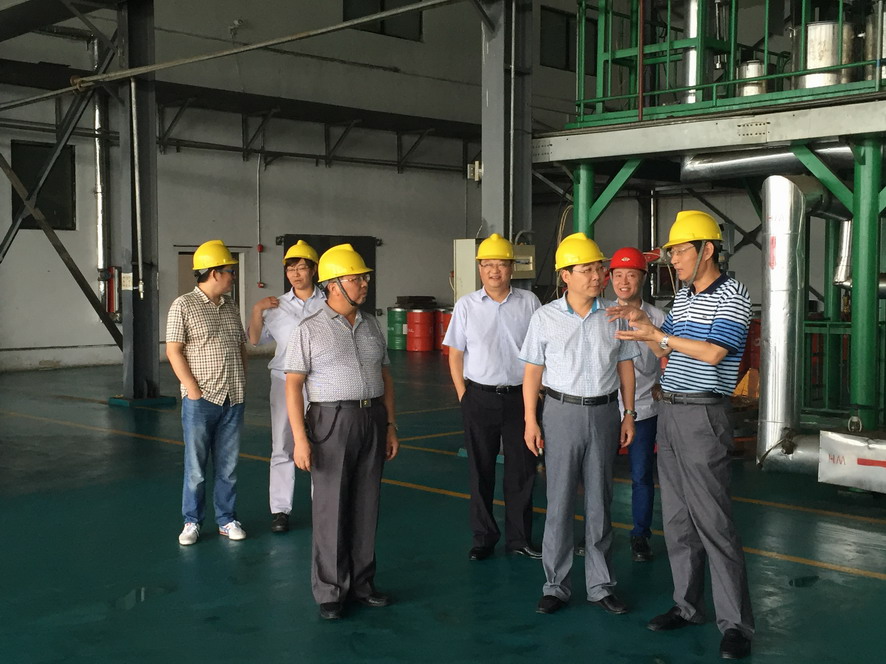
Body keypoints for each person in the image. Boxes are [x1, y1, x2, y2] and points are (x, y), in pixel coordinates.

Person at [607, 211, 754, 660]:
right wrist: (644, 327)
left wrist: (660, 335)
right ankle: (687, 607)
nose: (673, 260)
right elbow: (665, 350)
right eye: (671, 253)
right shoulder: (685, 297)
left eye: (679, 251)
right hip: (669, 410)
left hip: (702, 415)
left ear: (707, 250)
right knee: (677, 520)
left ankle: (736, 625)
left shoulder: (733, 296)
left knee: (713, 521)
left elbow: (713, 353)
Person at [520, 232, 638, 616]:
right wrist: (530, 420)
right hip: (561, 412)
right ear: (565, 275)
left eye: (598, 268)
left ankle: (600, 586)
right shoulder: (545, 317)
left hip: (604, 412)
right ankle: (555, 586)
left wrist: (629, 413)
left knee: (600, 501)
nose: (597, 276)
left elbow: (625, 366)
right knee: (559, 501)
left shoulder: (615, 314)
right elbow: (532, 373)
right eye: (586, 269)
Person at [283, 243, 399, 621]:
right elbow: (293, 386)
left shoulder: (371, 325)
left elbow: (385, 376)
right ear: (333, 285)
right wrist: (300, 439)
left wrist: (391, 425)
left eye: (365, 278)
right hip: (331, 420)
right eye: (356, 278)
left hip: (372, 417)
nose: (364, 284)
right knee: (331, 506)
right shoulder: (310, 330)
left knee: (367, 503)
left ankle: (362, 584)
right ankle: (331, 590)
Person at [443, 233, 542, 561]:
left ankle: (519, 538)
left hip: (520, 399)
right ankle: (484, 537)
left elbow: (541, 351)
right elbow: (455, 355)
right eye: (487, 265)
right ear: (479, 269)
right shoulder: (466, 306)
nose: (494, 271)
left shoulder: (529, 303)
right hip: (479, 398)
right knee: (480, 470)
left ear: (512, 268)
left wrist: (537, 393)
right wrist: (464, 396)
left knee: (522, 471)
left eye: (501, 264)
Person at [166, 239, 248, 546]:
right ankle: (192, 521)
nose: (233, 276)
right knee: (196, 468)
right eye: (230, 271)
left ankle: (226, 520)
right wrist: (193, 390)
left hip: (233, 398)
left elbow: (240, 346)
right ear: (214, 273)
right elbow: (174, 351)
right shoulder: (183, 305)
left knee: (228, 467)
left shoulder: (231, 307)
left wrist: (242, 381)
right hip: (201, 401)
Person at [247, 240, 325, 533]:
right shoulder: (275, 307)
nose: (295, 274)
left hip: (321, 381)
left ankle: (323, 506)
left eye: (301, 268)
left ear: (314, 270)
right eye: (291, 269)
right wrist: (257, 309)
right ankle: (280, 510)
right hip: (284, 381)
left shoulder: (329, 301)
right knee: (282, 444)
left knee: (322, 443)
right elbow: (255, 340)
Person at [609, 246, 666, 563]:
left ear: (643, 278)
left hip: (644, 408)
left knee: (642, 475)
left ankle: (640, 535)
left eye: (631, 275)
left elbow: (669, 359)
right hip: (605, 408)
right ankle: (596, 532)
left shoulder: (657, 318)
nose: (624, 282)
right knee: (597, 475)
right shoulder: (601, 314)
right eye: (618, 275)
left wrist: (662, 384)